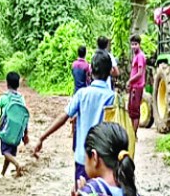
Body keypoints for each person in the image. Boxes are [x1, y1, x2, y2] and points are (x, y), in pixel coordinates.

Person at [34, 51, 115, 185]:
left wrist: (42, 137)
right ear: (110, 72)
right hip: (104, 163)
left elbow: (63, 117)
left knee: (81, 194)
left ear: (90, 70)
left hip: (83, 159)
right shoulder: (113, 98)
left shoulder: (81, 94)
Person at [0, 72, 29, 177]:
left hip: (6, 129)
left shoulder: (4, 97)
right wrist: (25, 134)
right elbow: (24, 117)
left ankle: (17, 164)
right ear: (18, 85)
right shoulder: (21, 98)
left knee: (5, 152)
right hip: (17, 132)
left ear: (7, 84)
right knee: (10, 154)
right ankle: (3, 173)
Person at [126, 34, 147, 139]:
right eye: (132, 44)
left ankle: (134, 135)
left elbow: (139, 73)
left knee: (135, 111)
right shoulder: (135, 56)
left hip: (137, 87)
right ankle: (132, 133)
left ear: (139, 44)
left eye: (135, 44)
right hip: (133, 86)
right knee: (130, 110)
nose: (134, 46)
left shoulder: (140, 56)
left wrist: (129, 81)